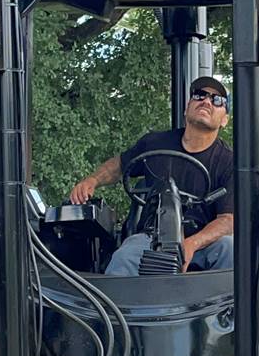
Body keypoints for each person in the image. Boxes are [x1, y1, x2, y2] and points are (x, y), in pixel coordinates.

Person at [70, 76, 234, 274]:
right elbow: (120, 164)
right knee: (125, 256)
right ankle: (115, 305)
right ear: (187, 107)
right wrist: (92, 180)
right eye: (200, 95)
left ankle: (230, 307)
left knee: (230, 250)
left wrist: (191, 244)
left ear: (224, 119)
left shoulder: (230, 162)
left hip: (203, 244)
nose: (206, 101)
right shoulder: (155, 143)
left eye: (217, 100)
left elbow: (228, 219)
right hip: (152, 239)